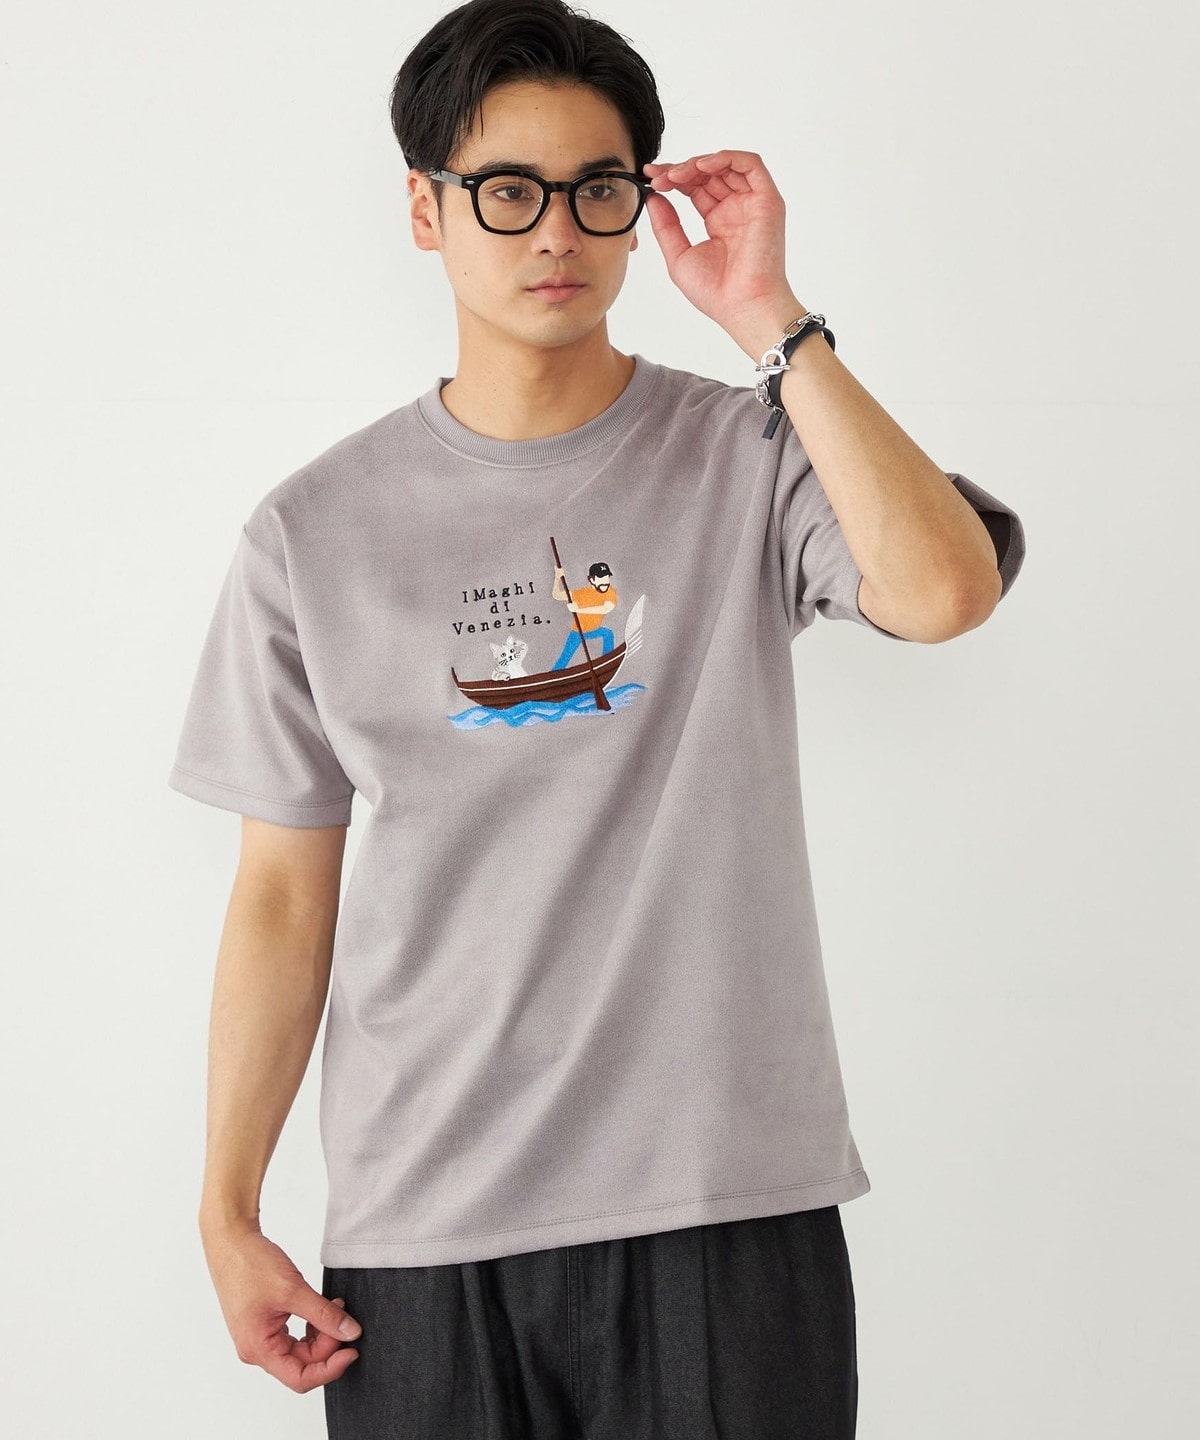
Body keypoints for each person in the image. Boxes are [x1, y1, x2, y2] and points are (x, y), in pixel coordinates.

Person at [166, 1, 1027, 1435]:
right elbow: (278, 899)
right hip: (424, 1222)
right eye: (508, 191)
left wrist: (770, 320)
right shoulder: (311, 533)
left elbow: (944, 594)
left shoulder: (750, 453)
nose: (556, 231)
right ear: (427, 212)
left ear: (640, 207)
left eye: (598, 189)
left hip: (722, 1204)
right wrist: (227, 1209)